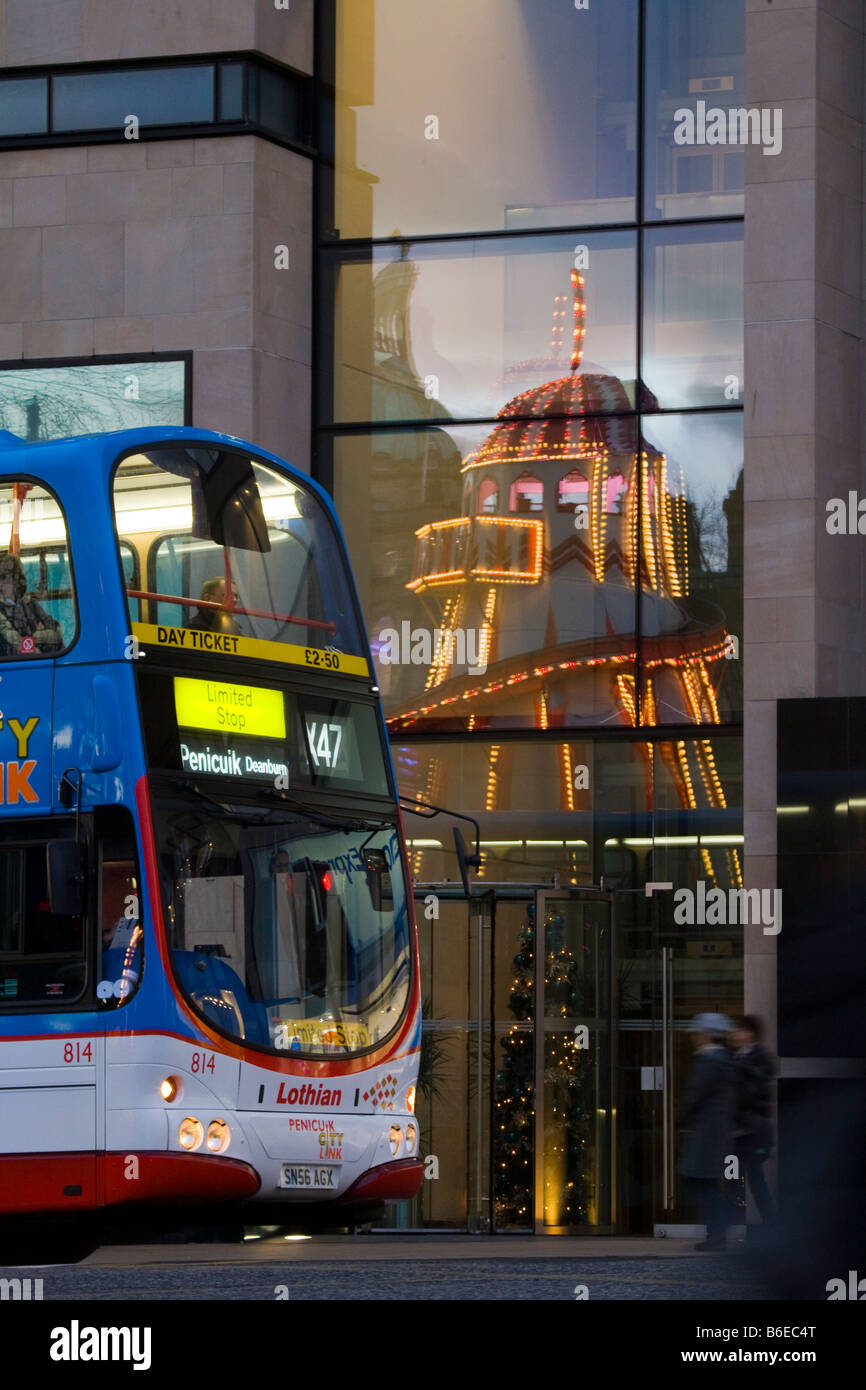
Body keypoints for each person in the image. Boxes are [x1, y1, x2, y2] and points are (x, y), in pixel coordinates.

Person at [678, 1012, 739, 1252]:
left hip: (707, 1131)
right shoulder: (722, 1059)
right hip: (714, 1130)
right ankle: (717, 1231)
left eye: (697, 1033)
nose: (694, 1038)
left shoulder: (711, 1060)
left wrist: (684, 1115)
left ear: (705, 1035)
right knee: (706, 1182)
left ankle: (718, 1230)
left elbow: (697, 1093)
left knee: (701, 1181)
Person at [731, 1014, 777, 1233]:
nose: (736, 1034)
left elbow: (759, 1090)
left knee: (755, 1181)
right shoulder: (737, 1058)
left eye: (740, 1030)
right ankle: (731, 1226)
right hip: (739, 1132)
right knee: (733, 1179)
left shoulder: (758, 1058)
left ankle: (770, 1225)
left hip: (751, 1132)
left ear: (750, 1033)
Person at [0, 553, 63, 656]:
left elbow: (57, 637)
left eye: (3, 577)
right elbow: (14, 645)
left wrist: (40, 636)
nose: (0, 584)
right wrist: (34, 642)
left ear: (17, 580)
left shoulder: (31, 606)